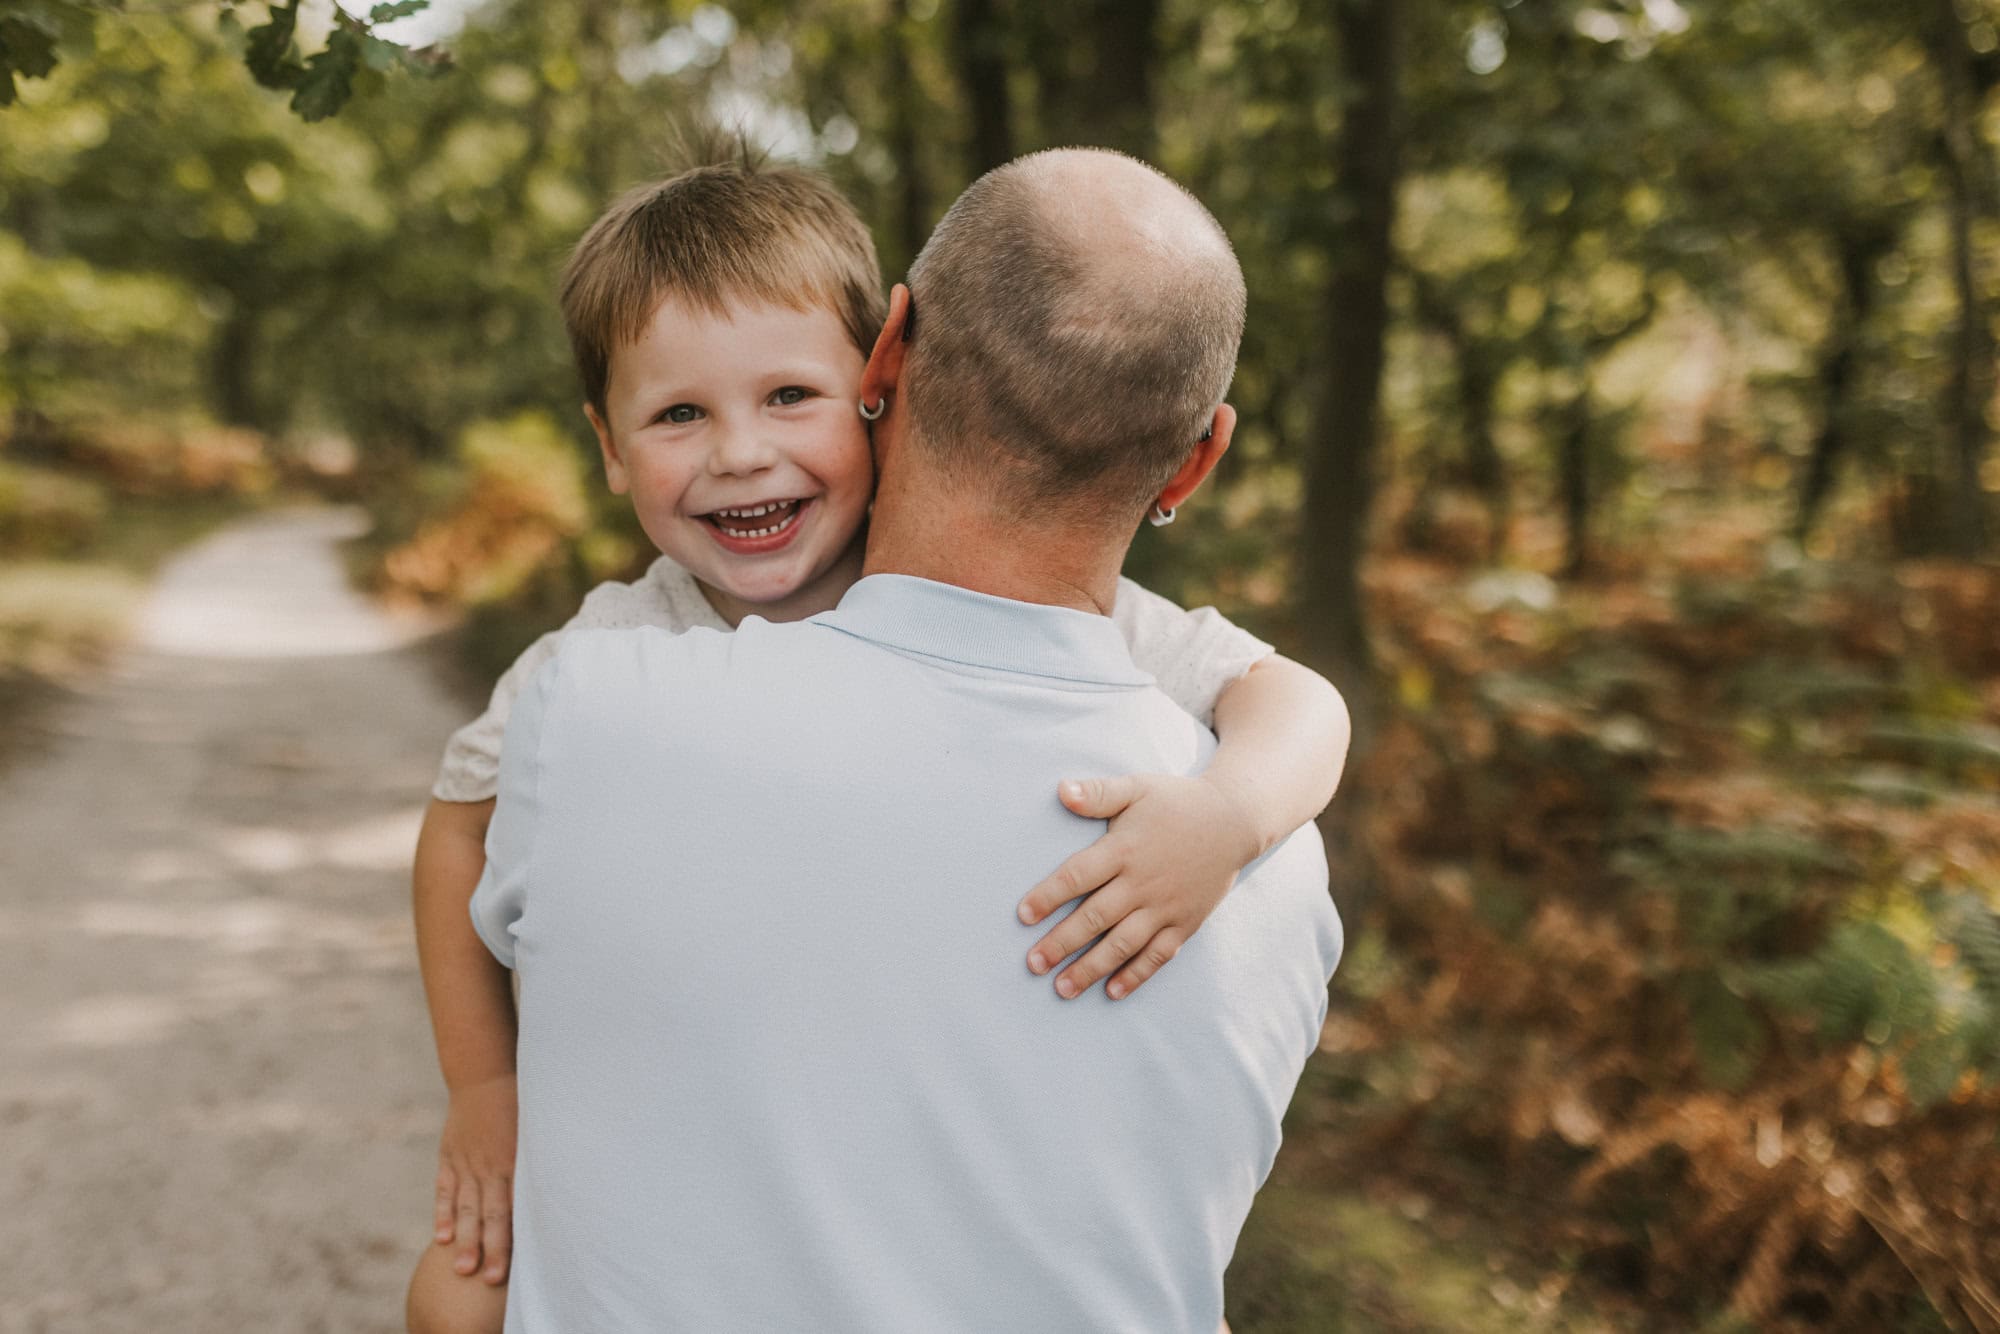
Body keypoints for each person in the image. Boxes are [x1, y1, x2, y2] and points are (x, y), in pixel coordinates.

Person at [406, 153, 1349, 1331]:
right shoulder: (607, 649)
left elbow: (1294, 698)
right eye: (678, 414)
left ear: (879, 370)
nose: (740, 453)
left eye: (787, 397)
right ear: (608, 445)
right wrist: (483, 1085)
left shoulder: (605, 705)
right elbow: (455, 825)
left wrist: (1227, 813)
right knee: (453, 1288)